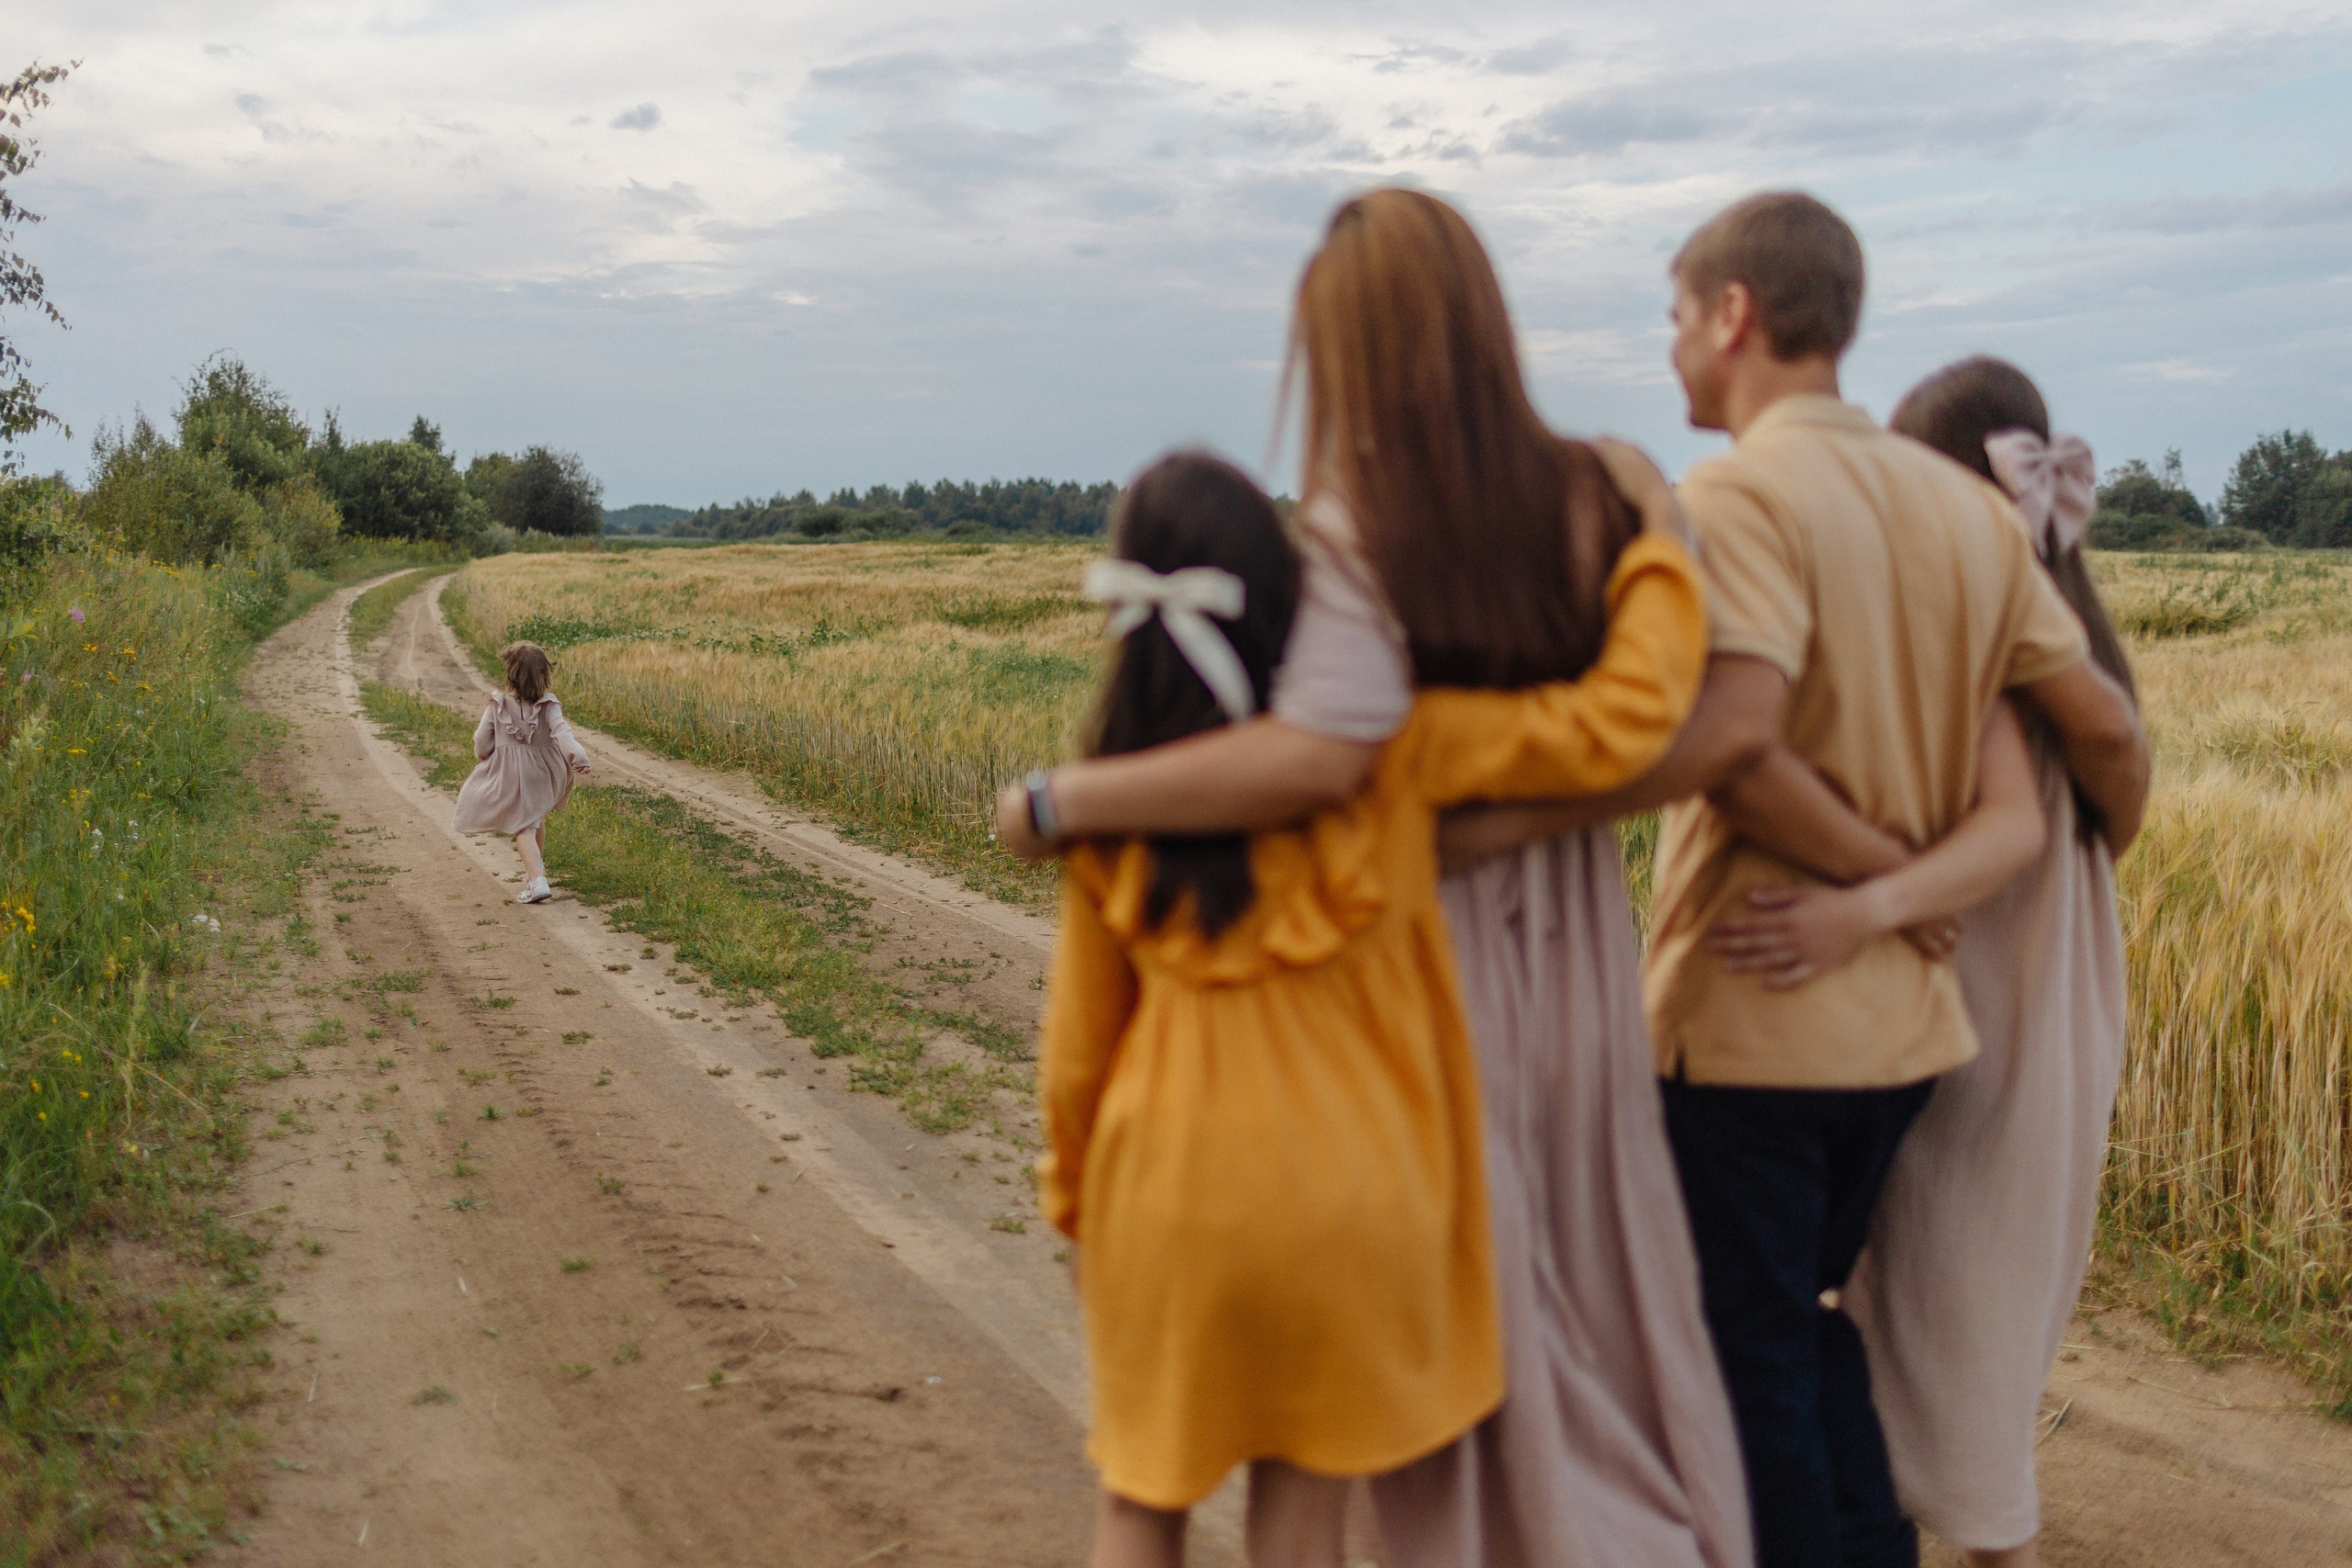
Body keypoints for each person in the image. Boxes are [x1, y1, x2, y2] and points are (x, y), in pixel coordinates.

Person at [1001, 188, 1755, 1568]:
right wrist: (1658, 544)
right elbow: (1632, 717)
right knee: (1574, 1292)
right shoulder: (1595, 499)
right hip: (1564, 945)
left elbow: (1083, 1041)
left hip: (1301, 1058)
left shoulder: (1344, 562)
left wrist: (1070, 800)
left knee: (1153, 1487)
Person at [1437, 193, 2148, 1568]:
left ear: (1734, 315)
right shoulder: (1963, 512)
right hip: (1904, 1036)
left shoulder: (1743, 497)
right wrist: (1921, 880)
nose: (1670, 349)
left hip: (1759, 1007)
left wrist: (1496, 810)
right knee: (1797, 1327)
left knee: (1733, 1361)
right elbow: (2092, 726)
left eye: (1673, 317)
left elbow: (1733, 737)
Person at [1827, 359, 2137, 1568]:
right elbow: (2115, 764)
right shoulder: (2073, 623)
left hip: (1982, 1005)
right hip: (2060, 1003)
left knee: (1939, 1305)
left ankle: (1981, 1536)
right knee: (1981, 1318)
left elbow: (2097, 749)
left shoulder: (1990, 634)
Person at [451, 640, 591, 904]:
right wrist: (578, 758)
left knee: (522, 826)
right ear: (544, 673)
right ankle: (534, 872)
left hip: (513, 772)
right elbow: (563, 733)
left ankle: (537, 882)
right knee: (534, 818)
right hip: (545, 771)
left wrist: (485, 756)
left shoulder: (498, 704)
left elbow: (482, 740)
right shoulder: (550, 704)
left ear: (510, 673)